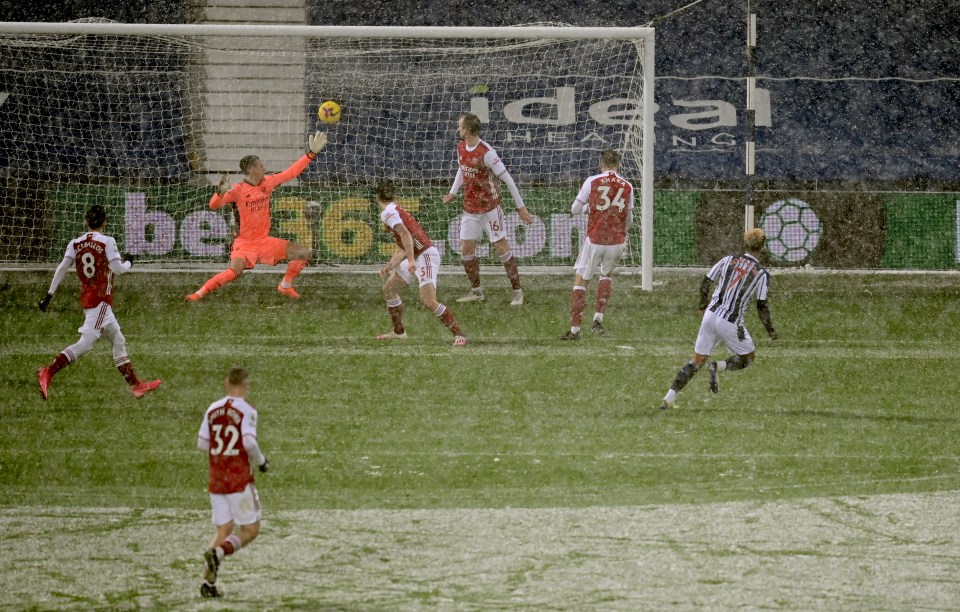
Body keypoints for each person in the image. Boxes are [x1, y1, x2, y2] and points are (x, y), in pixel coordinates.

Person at [36, 205, 161, 400]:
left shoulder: (76, 243)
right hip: (101, 300)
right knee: (85, 343)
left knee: (118, 339)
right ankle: (48, 371)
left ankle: (137, 386)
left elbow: (62, 268)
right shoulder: (107, 241)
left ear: (86, 221)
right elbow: (118, 269)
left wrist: (49, 295)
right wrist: (129, 262)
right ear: (105, 223)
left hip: (89, 298)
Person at [185, 131, 328, 301]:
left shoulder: (267, 182)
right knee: (233, 272)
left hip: (264, 241)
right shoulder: (237, 190)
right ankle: (198, 294)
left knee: (304, 253)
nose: (264, 168)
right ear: (252, 170)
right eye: (261, 166)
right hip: (244, 244)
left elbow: (291, 173)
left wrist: (311, 154)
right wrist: (220, 193)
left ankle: (285, 286)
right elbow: (213, 205)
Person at [659, 228, 778, 410]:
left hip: (710, 315)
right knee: (749, 357)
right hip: (730, 322)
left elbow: (706, 282)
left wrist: (702, 305)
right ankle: (718, 366)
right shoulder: (761, 274)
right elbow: (761, 305)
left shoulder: (728, 259)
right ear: (763, 248)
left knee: (696, 361)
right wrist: (770, 329)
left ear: (744, 244)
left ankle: (669, 398)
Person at [442, 112, 533, 306]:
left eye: (460, 126)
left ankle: (517, 291)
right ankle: (477, 292)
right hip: (470, 209)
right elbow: (461, 168)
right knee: (466, 249)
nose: (458, 129)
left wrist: (521, 208)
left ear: (467, 130)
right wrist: (453, 192)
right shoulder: (461, 147)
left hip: (490, 208)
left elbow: (508, 180)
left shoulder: (487, 153)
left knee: (501, 248)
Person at [197, 367, 269, 598]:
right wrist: (261, 461)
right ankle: (218, 555)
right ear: (246, 384)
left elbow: (202, 443)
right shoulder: (247, 411)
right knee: (250, 529)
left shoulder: (212, 408)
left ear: (226, 382)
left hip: (216, 478)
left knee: (223, 529)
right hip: (237, 479)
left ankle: (208, 584)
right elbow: (248, 441)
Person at [375, 180, 467, 346]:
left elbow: (405, 235)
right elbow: (401, 248)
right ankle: (399, 332)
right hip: (418, 256)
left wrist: (410, 260)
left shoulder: (388, 213)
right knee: (389, 289)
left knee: (428, 300)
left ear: (376, 198)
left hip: (425, 256)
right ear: (394, 196)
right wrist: (389, 266)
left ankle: (459, 335)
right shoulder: (395, 210)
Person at [559, 149, 635, 340]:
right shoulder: (627, 185)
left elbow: (575, 209)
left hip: (595, 239)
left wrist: (588, 207)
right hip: (616, 240)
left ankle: (575, 330)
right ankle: (598, 320)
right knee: (606, 274)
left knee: (581, 282)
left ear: (600, 164)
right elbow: (629, 219)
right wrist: (620, 232)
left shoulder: (592, 181)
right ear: (619, 165)